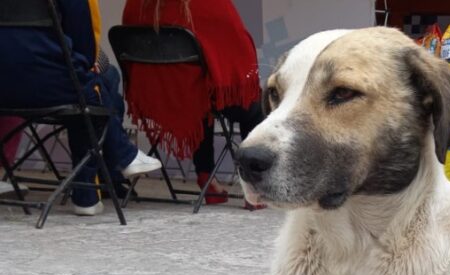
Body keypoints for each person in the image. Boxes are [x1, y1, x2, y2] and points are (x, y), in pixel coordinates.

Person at [0, 0, 161, 216]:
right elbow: (85, 45)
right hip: (53, 85)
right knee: (99, 86)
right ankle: (92, 188)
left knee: (97, 86)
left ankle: (121, 159)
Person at [122, 0, 265, 209]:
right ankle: (253, 187)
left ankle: (206, 176)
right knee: (252, 105)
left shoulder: (134, 5)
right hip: (192, 93)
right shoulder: (209, 4)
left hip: (157, 94)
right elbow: (238, 45)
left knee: (198, 96)